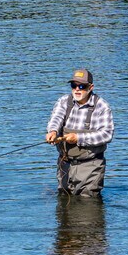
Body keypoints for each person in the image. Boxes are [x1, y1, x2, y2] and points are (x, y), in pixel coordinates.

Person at [46, 69, 114, 197]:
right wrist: (53, 131)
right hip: (65, 164)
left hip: (91, 165)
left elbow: (107, 134)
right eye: (74, 85)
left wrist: (78, 138)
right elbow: (56, 118)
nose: (77, 89)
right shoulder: (63, 101)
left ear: (91, 87)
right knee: (63, 201)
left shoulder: (102, 106)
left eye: (82, 86)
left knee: (87, 206)